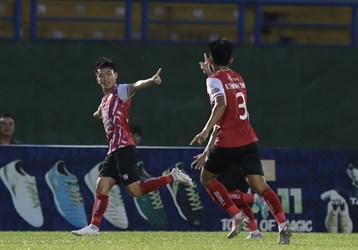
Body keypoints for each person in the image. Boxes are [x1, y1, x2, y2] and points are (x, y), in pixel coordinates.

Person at [72, 57, 193, 236]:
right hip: (113, 150)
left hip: (124, 148)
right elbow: (99, 112)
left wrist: (151, 81)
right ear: (97, 79)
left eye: (109, 74)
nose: (106, 78)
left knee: (135, 191)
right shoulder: (105, 99)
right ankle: (93, 227)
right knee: (101, 186)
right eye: (101, 76)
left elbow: (135, 85)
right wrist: (98, 113)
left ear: (115, 75)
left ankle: (172, 177)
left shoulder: (120, 91)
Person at [190, 38, 292, 244]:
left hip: (227, 141)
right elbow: (224, 86)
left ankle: (236, 216)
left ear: (210, 60)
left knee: (207, 179)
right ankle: (283, 224)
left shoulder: (213, 81)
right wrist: (211, 74)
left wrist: (204, 131)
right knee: (260, 185)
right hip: (248, 140)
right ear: (232, 59)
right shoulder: (238, 77)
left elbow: (220, 104)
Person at [192, 125, 268, 239]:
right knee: (238, 201)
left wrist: (206, 153)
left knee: (219, 194)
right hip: (244, 161)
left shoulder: (222, 110)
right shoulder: (239, 116)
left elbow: (215, 133)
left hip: (232, 163)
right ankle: (254, 232)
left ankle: (253, 200)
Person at [321, 157, 358, 233]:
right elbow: (323, 196)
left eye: (357, 168)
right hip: (348, 231)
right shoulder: (345, 190)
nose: (354, 172)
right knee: (332, 204)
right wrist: (332, 194)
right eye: (350, 168)